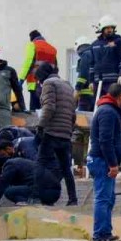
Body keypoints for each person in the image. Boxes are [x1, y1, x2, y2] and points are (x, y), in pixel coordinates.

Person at [87, 83, 121, 241]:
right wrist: (112, 164)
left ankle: (105, 231)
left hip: (103, 160)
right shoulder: (108, 112)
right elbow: (105, 140)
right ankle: (100, 234)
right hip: (102, 161)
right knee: (103, 198)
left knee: (108, 198)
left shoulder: (108, 110)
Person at [35, 62, 78, 205]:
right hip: (65, 135)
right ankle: (73, 199)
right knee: (66, 169)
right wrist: (69, 131)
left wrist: (40, 127)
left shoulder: (48, 84)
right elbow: (73, 114)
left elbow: (49, 107)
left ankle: (36, 195)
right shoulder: (67, 86)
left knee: (40, 163)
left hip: (51, 132)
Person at [0, 141, 61, 206]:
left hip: (45, 191)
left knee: (8, 191)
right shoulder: (24, 162)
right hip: (55, 194)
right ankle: (41, 202)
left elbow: (3, 183)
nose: (2, 157)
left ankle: (26, 202)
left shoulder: (10, 164)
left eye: (3, 155)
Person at [19, 30, 59, 111]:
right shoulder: (52, 49)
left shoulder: (33, 45)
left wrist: (21, 80)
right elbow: (55, 67)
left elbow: (28, 63)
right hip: (49, 84)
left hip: (34, 82)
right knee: (46, 108)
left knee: (34, 110)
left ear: (32, 38)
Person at [90, 16, 121, 97]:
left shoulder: (119, 42)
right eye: (107, 28)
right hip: (97, 82)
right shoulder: (94, 45)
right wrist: (91, 81)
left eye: (111, 28)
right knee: (99, 105)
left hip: (113, 81)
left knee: (112, 103)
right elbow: (91, 65)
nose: (110, 30)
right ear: (102, 29)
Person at [73, 36, 97, 112]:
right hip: (95, 93)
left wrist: (77, 89)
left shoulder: (85, 55)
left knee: (82, 120)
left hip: (85, 97)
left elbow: (83, 74)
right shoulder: (94, 54)